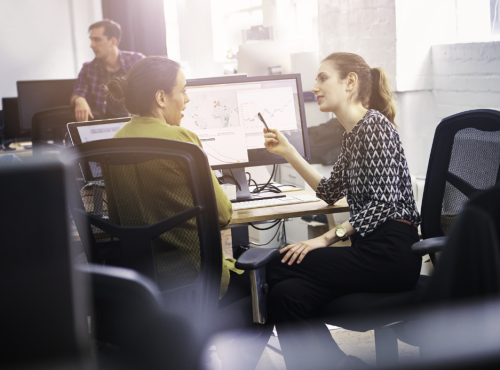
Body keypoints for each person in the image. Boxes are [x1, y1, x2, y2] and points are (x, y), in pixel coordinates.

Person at [103, 56, 271, 370]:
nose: (188, 97)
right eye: (183, 89)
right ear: (161, 97)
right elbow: (222, 215)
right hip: (196, 283)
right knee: (276, 283)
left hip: (143, 288)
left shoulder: (113, 144)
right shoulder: (183, 142)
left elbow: (116, 221)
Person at [263, 52, 422, 370]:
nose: (314, 86)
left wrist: (325, 239)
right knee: (287, 295)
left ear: (350, 83)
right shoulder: (353, 135)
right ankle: (340, 364)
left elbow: (383, 204)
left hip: (390, 254)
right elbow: (329, 192)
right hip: (371, 252)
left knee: (276, 266)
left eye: (323, 78)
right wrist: (289, 152)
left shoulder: (374, 126)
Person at [71, 19, 145, 122]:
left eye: (97, 40)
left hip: (136, 124)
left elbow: (154, 91)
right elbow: (78, 93)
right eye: (91, 40)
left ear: (113, 42)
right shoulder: (88, 69)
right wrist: (79, 100)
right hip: (103, 128)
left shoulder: (137, 60)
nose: (91, 45)